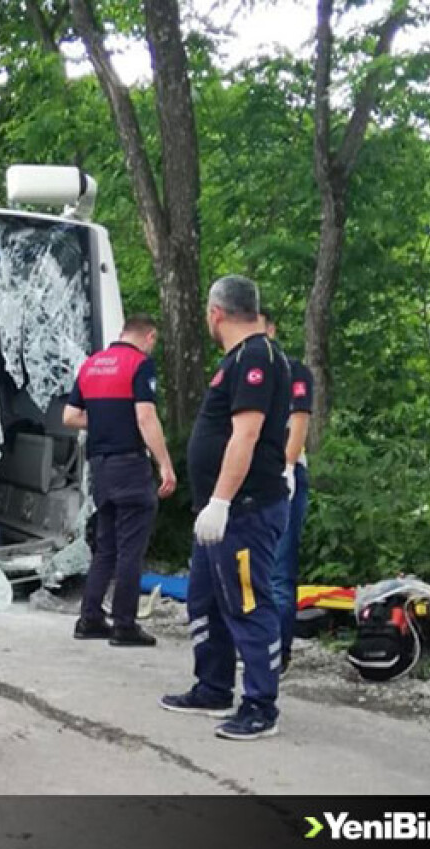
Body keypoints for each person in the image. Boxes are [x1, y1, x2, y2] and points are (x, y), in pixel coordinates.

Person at [160, 275, 290, 741]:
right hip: (218, 511)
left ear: (216, 313)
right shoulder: (237, 359)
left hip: (244, 508)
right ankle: (213, 686)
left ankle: (260, 704)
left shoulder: (257, 356)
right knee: (206, 600)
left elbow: (247, 434)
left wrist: (220, 500)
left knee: (247, 602)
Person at [62, 313, 177, 647]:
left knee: (106, 545)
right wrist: (165, 464)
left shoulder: (92, 364)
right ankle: (125, 625)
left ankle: (90, 617)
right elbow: (145, 416)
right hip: (129, 463)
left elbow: (69, 416)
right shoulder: (139, 365)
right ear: (149, 336)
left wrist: (101, 422)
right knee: (131, 548)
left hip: (100, 466)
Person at [260, 309, 313, 676]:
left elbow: (299, 422)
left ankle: (278, 653)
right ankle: (254, 646)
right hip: (248, 478)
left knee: (279, 570)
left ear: (272, 328)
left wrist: (289, 467)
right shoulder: (240, 368)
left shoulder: (293, 369)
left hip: (283, 475)